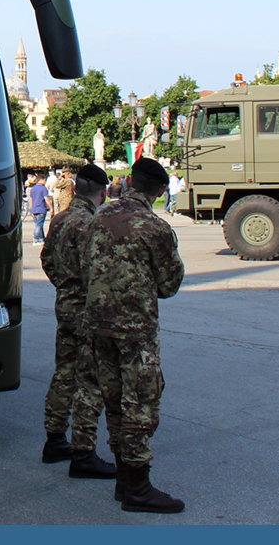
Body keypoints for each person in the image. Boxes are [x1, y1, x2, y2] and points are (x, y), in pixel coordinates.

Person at [83, 157, 185, 513]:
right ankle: (138, 487)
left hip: (97, 324)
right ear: (159, 190)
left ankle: (125, 482)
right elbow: (170, 284)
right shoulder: (154, 227)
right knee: (141, 404)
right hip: (135, 330)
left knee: (113, 401)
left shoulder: (98, 219)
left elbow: (85, 268)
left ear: (129, 183)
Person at [40, 163, 115, 478]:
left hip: (65, 306)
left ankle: (55, 439)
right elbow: (97, 273)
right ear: (104, 192)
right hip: (87, 310)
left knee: (64, 372)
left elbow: (46, 260)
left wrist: (65, 286)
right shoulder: (91, 224)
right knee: (91, 380)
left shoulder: (60, 219)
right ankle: (84, 453)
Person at [28, 174, 53, 245]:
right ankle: (35, 239)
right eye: (45, 180)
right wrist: (51, 207)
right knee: (39, 225)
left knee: (39, 224)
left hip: (34, 208)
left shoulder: (33, 189)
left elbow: (31, 199)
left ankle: (42, 239)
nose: (45, 182)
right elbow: (46, 198)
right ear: (41, 179)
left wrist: (32, 209)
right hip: (41, 208)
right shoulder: (43, 188)